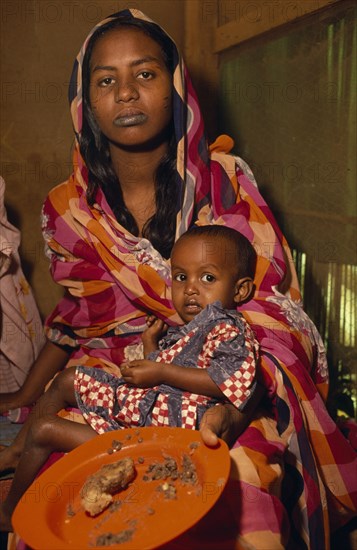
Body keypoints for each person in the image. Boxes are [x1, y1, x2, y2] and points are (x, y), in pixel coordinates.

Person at [1, 8, 355, 549]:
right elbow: (77, 321)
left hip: (217, 378)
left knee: (241, 490)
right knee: (62, 500)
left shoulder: (227, 184)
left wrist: (236, 409)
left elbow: (273, 313)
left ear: (177, 85)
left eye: (144, 74)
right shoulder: (68, 209)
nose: (125, 93)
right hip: (117, 372)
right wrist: (28, 394)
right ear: (86, 104)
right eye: (105, 81)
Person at [0, 225, 260, 532]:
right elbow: (167, 374)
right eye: (180, 277)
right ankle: (17, 452)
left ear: (240, 290)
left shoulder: (228, 330)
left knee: (44, 429)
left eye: (207, 278)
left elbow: (228, 382)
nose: (190, 288)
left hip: (163, 435)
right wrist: (152, 346)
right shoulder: (192, 328)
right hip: (148, 407)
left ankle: (9, 514)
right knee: (67, 379)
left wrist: (161, 371)